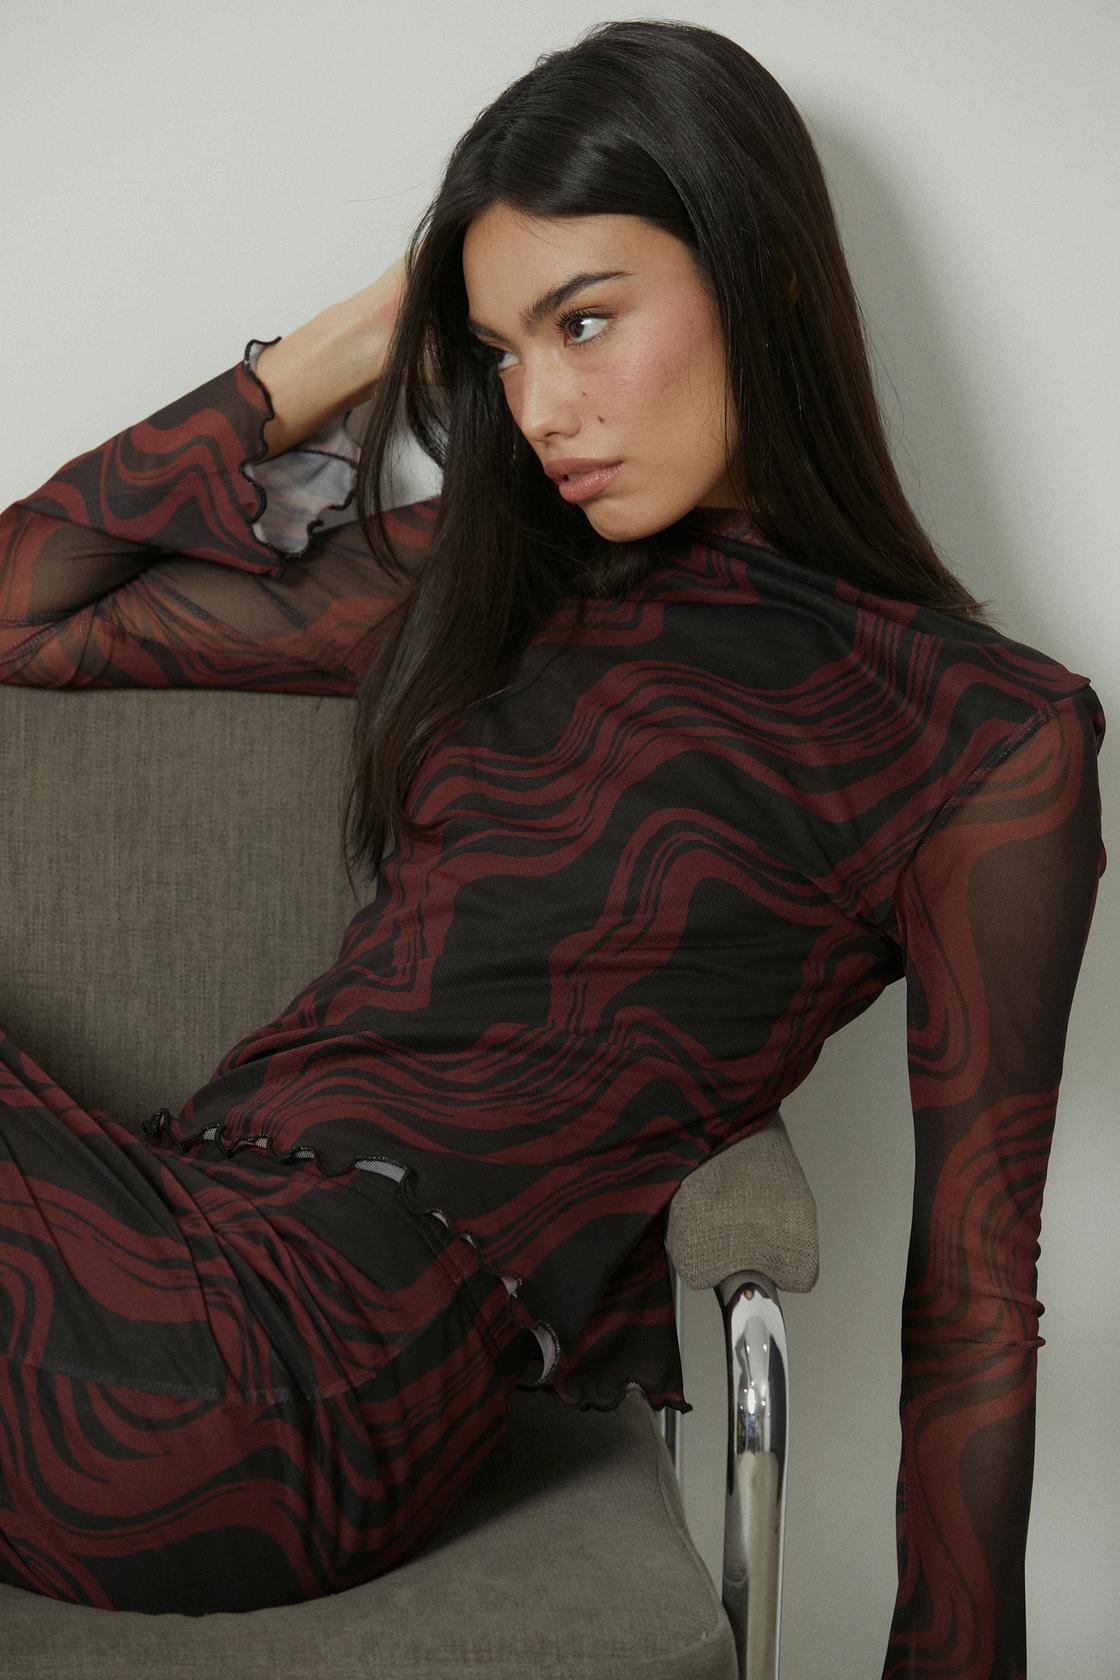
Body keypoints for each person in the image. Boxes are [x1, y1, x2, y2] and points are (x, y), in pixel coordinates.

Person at [0, 15, 1105, 1674]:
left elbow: (973, 1291)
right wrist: (358, 334)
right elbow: (25, 605)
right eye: (499, 353)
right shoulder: (498, 582)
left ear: (765, 279)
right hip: (166, 1242)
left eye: (585, 322)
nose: (542, 408)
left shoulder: (984, 733)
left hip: (300, 1376)